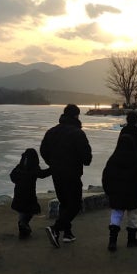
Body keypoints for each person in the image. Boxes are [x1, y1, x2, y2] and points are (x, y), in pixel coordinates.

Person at [40, 104, 93, 248]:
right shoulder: (77, 133)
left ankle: (67, 233)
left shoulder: (52, 132)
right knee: (75, 205)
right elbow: (86, 158)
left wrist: (53, 163)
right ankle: (56, 229)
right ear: (76, 116)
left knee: (64, 203)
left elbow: (43, 150)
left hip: (56, 174)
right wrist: (82, 160)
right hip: (72, 173)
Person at [101, 134, 137, 251]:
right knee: (132, 216)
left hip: (117, 194)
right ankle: (131, 240)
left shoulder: (113, 159)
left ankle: (112, 241)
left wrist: (109, 191)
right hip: (133, 194)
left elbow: (106, 177)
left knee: (116, 215)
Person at [9, 148, 51, 239]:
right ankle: (23, 225)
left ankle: (23, 227)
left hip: (19, 192)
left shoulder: (19, 167)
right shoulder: (33, 167)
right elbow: (42, 174)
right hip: (29, 194)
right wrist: (52, 169)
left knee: (23, 210)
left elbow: (12, 176)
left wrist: (19, 180)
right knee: (29, 211)